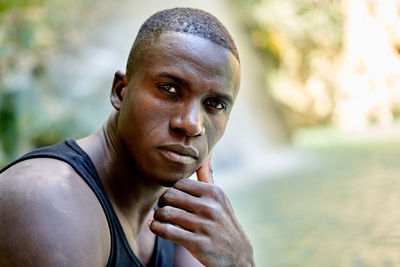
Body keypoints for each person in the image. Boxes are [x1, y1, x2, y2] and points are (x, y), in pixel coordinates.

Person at [0, 7, 254, 267]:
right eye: (169, 89)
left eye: (214, 104)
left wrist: (239, 261)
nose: (191, 124)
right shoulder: (47, 202)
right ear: (120, 92)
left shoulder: (181, 224)